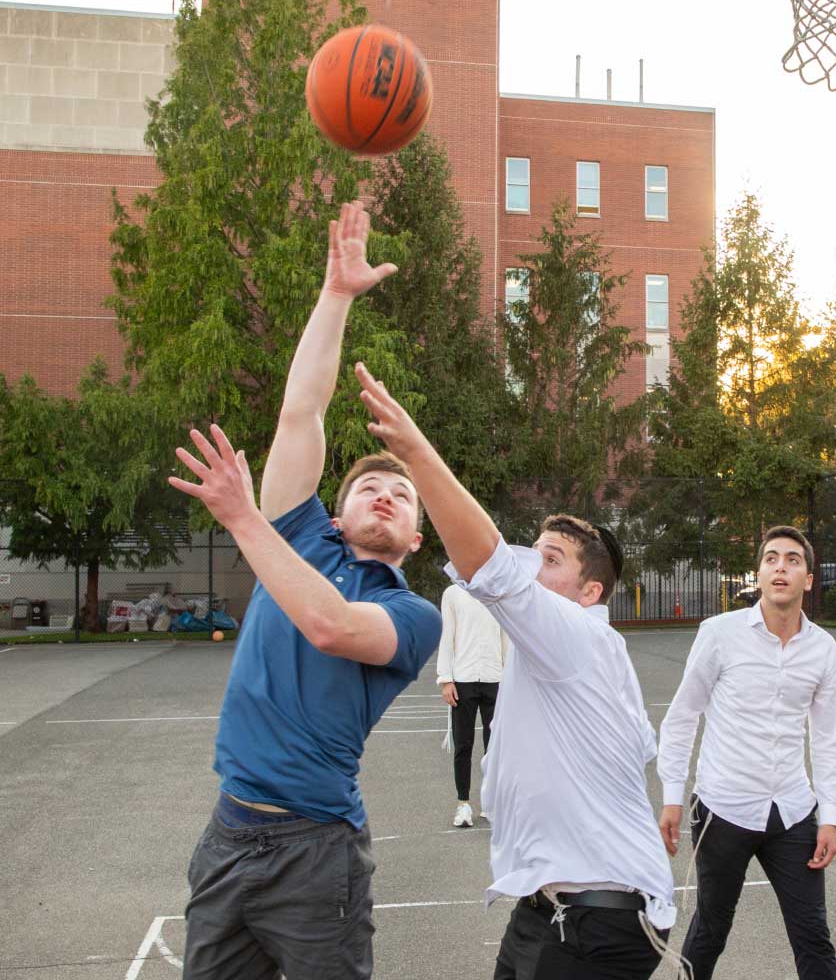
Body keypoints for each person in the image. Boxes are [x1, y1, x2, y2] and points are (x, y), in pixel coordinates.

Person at [169, 202, 442, 980]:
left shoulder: (410, 616)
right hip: (228, 832)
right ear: (337, 508)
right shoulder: (298, 534)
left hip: (315, 852)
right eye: (370, 487)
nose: (385, 494)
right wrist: (337, 295)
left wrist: (242, 516)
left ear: (417, 538)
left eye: (402, 494)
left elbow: (327, 625)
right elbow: (303, 412)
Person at [355, 361, 678, 980]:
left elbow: (491, 568)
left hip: (595, 921)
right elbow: (638, 745)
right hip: (552, 909)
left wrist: (415, 452)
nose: (531, 565)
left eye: (549, 558)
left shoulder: (581, 633)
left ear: (590, 593)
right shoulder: (575, 656)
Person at [657, 525, 836, 980]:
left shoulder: (823, 649)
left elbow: (829, 738)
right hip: (724, 809)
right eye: (771, 559)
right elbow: (683, 716)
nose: (781, 566)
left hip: (793, 812)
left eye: (793, 560)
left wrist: (830, 816)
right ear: (759, 574)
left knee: (813, 935)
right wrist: (671, 796)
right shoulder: (719, 634)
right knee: (710, 931)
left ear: (808, 579)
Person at [437, 582, 510, 827]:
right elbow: (447, 636)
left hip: (494, 678)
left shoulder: (497, 592)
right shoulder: (453, 594)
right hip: (463, 678)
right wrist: (446, 679)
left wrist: (510, 678)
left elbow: (505, 637)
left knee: (495, 748)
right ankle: (463, 804)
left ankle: (491, 803)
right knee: (463, 744)